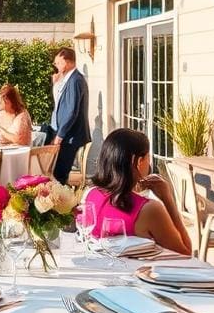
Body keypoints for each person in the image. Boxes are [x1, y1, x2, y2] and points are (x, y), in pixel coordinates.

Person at [86, 128, 192, 256]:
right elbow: (185, 253)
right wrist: (167, 198)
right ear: (139, 162)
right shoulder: (149, 209)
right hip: (136, 274)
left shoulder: (91, 195)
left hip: (103, 270)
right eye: (148, 157)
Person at [48, 47, 91, 184]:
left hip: (70, 136)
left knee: (59, 174)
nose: (56, 66)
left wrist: (60, 136)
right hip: (66, 134)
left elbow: (72, 111)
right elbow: (59, 103)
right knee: (56, 171)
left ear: (67, 62)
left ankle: (61, 203)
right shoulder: (68, 79)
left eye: (58, 63)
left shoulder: (75, 80)